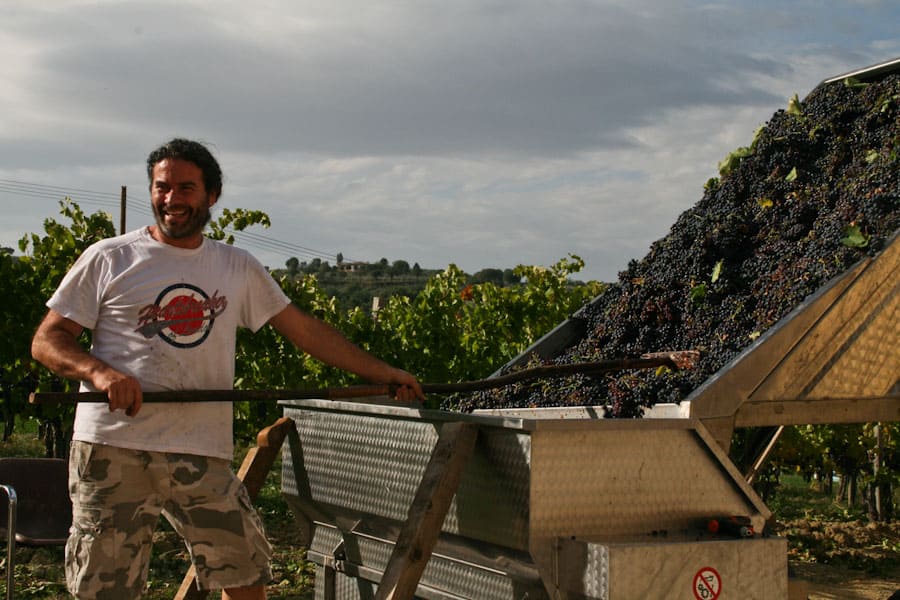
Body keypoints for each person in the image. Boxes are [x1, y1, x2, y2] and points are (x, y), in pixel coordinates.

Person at [30, 138, 423, 600]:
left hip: (199, 449)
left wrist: (380, 373)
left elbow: (305, 330)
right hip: (114, 447)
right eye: (162, 187)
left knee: (242, 572)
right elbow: (47, 340)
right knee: (105, 589)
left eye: (186, 188)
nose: (171, 199)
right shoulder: (110, 257)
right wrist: (101, 374)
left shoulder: (235, 266)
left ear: (212, 195)